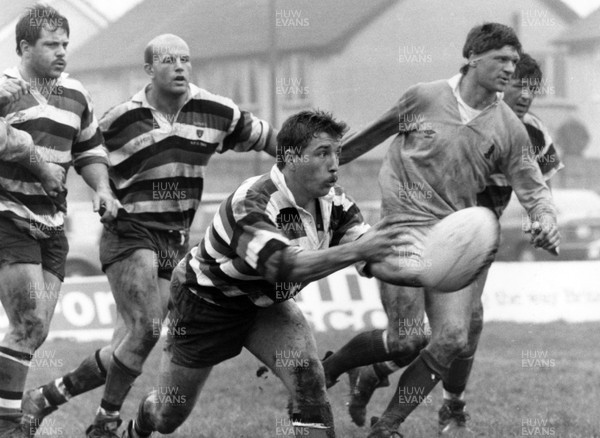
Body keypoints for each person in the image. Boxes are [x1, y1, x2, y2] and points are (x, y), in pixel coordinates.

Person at [22, 33, 279, 438]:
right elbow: (83, 153)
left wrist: (312, 157)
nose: (180, 66)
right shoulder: (119, 119)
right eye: (169, 59)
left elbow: (272, 140)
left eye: (185, 59)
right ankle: (105, 422)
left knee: (132, 346)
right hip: (129, 230)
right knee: (147, 328)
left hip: (175, 241)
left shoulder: (216, 110)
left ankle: (45, 398)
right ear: (149, 69)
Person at [321, 23, 560, 438]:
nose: (509, 69)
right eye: (501, 60)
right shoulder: (424, 96)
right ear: (472, 57)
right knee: (405, 341)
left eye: (514, 62)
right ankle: (330, 368)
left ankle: (389, 426)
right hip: (403, 228)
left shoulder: (511, 128)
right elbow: (365, 139)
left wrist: (546, 221)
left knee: (453, 337)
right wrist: (310, 177)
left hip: (456, 237)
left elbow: (535, 189)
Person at [117, 109, 405, 438]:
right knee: (169, 416)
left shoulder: (336, 203)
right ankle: (141, 423)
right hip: (206, 305)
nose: (335, 164)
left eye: (337, 152)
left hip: (267, 306)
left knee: (309, 381)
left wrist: (434, 268)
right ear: (292, 158)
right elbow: (284, 267)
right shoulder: (251, 201)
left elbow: (377, 258)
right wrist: (363, 249)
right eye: (323, 153)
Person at [0, 4, 119, 437]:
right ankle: (8, 423)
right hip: (8, 217)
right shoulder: (5, 89)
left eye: (65, 43)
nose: (62, 52)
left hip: (53, 226)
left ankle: (12, 408)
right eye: (51, 44)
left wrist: (102, 190)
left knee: (35, 331)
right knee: (27, 321)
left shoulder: (77, 94)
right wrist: (37, 165)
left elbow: (89, 150)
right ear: (24, 47)